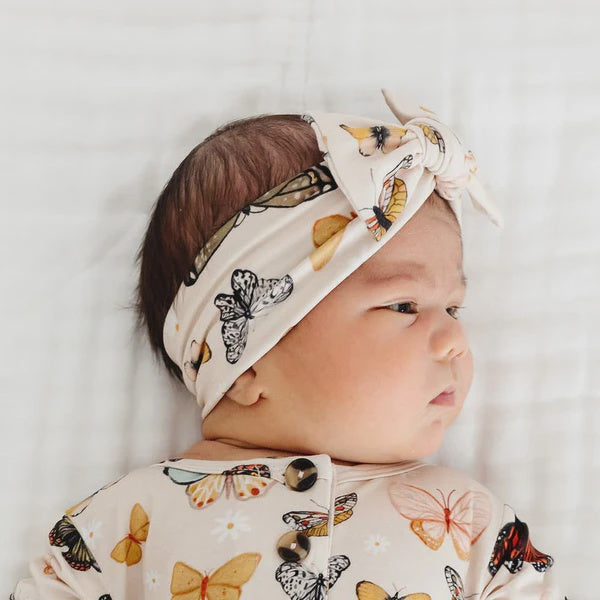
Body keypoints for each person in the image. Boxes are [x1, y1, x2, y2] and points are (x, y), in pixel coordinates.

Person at [11, 89, 565, 599]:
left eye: (454, 309)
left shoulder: (469, 523)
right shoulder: (131, 520)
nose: (455, 341)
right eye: (404, 306)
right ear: (249, 363)